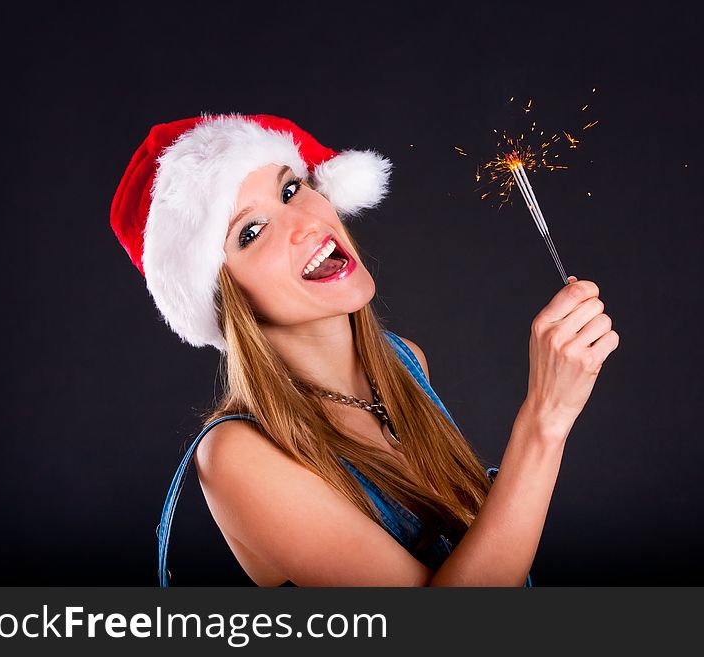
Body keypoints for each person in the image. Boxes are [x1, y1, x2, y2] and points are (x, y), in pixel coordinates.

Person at [110, 113, 620, 587]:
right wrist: (545, 419)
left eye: (291, 189)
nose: (305, 223)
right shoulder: (236, 455)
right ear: (225, 299)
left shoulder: (405, 363)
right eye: (251, 231)